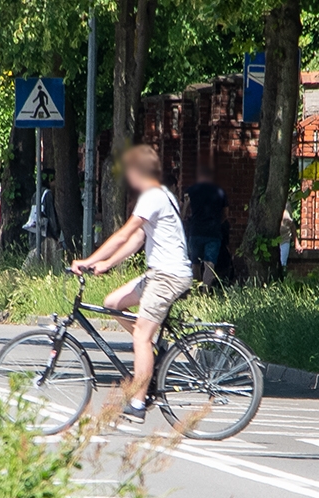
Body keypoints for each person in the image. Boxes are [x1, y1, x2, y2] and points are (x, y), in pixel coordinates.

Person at [71, 145, 192, 424]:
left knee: (140, 336)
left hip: (168, 276)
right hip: (159, 273)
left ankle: (138, 404)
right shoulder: (159, 196)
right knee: (112, 303)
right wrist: (106, 264)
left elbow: (124, 234)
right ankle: (150, 353)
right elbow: (136, 240)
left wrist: (87, 260)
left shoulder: (152, 196)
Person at [183, 165, 228, 289]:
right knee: (210, 263)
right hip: (213, 232)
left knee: (195, 263)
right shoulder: (220, 192)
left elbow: (185, 212)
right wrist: (218, 223)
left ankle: (196, 290)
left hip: (196, 231)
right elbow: (226, 214)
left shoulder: (191, 191)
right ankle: (205, 292)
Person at [279, 200, 303, 268]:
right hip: (271, 240)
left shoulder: (286, 205)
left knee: (282, 264)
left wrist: (297, 244)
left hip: (284, 239)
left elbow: (292, 225)